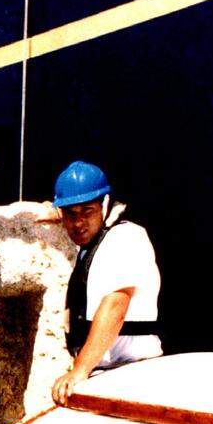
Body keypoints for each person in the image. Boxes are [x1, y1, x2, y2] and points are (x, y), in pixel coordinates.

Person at [50, 161, 162, 405]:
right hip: (105, 375)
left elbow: (115, 306)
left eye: (87, 211)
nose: (78, 222)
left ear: (105, 204)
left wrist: (79, 371)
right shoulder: (91, 246)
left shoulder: (125, 237)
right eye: (70, 214)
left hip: (133, 373)